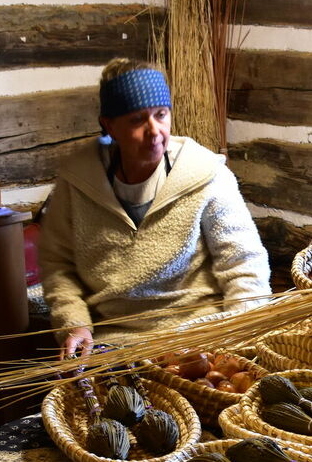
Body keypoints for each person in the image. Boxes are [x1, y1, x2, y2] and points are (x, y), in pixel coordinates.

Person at [38, 59, 271, 358]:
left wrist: (236, 340)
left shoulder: (205, 175)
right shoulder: (77, 182)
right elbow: (59, 268)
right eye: (137, 120)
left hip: (200, 337)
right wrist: (75, 325)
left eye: (161, 115)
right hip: (117, 344)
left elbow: (244, 266)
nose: (155, 131)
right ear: (109, 126)